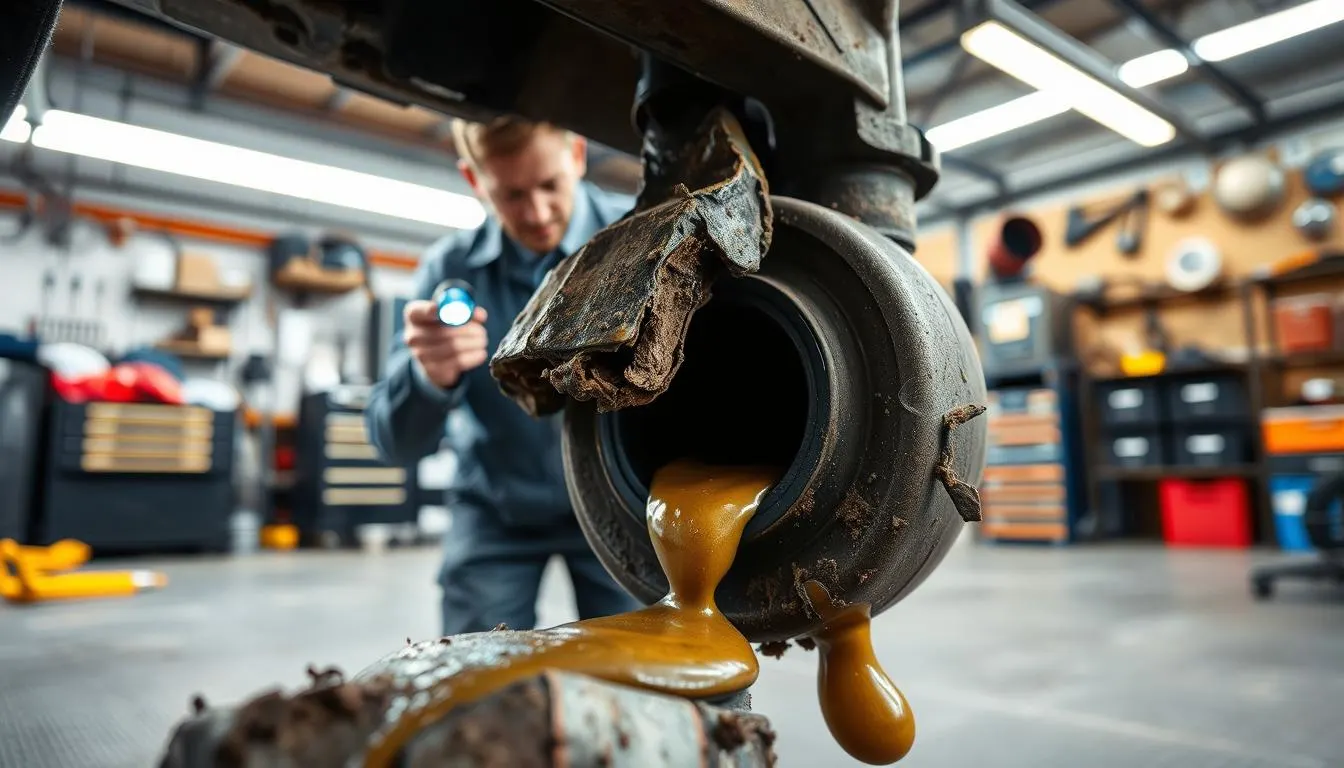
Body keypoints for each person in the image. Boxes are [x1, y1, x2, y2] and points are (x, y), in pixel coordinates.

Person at [366, 116, 642, 635]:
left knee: (651, 674)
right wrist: (429, 377)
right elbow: (392, 442)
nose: (536, 213)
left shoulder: (643, 238)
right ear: (475, 181)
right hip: (496, 509)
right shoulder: (447, 272)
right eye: (511, 195)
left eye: (550, 185)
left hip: (622, 502)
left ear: (577, 154)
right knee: (476, 679)